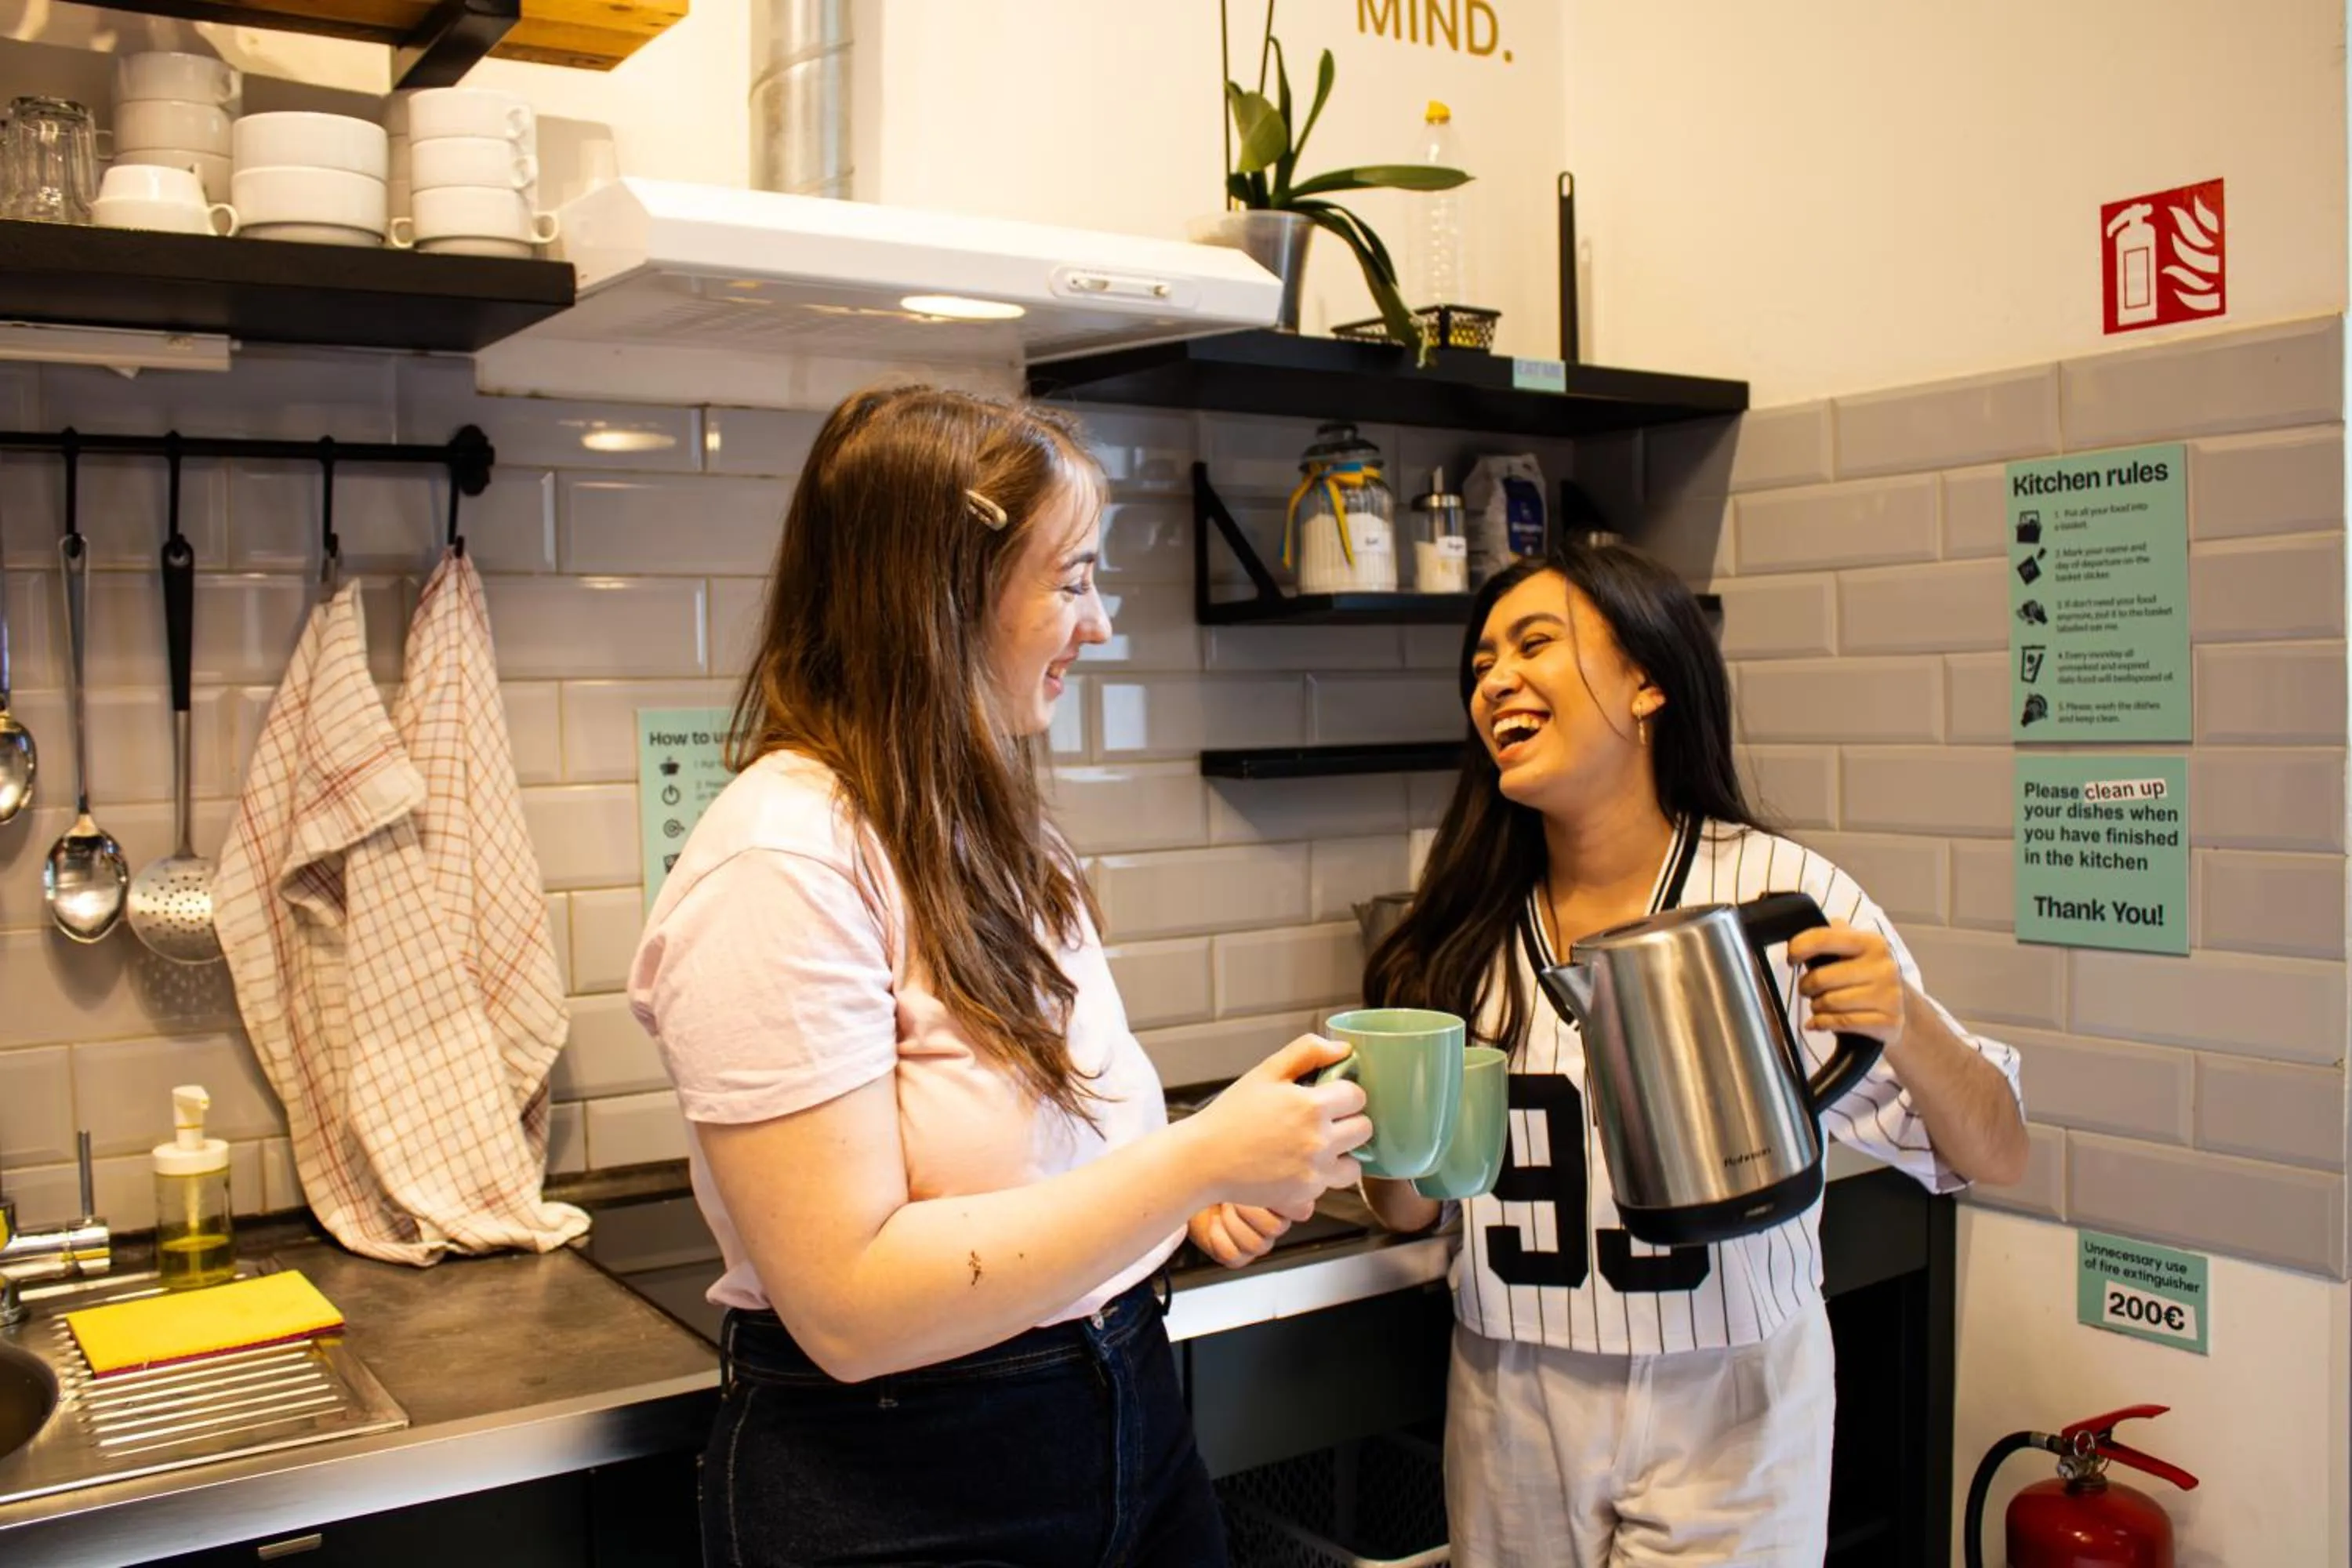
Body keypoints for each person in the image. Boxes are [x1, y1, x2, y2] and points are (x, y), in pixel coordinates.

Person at [627, 385, 1371, 1568]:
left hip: (1126, 1415)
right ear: (942, 594)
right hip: (911, 1483)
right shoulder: (780, 859)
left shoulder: (988, 826)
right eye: (1072, 579)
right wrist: (1197, 1155)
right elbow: (851, 1308)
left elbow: (1033, 1166)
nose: (1103, 623)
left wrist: (1185, 1197)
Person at [1360, 543, 2028, 1566]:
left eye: (1534, 643)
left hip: (1734, 1398)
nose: (1494, 679)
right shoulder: (1461, 931)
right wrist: (1373, 1123)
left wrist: (1908, 1021)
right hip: (1509, 1392)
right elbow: (1412, 1208)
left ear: (1647, 681)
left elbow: (1996, 1150)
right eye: (1481, 664)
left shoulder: (1776, 893)